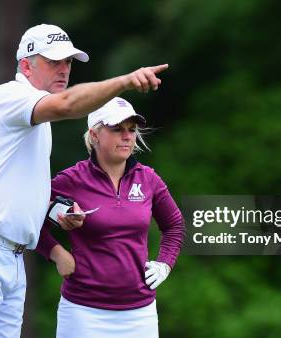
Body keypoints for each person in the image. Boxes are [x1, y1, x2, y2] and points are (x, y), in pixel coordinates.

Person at [0, 23, 168, 338]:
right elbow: (68, 104)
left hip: (9, 257)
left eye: (68, 62)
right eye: (54, 61)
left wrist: (59, 214)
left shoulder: (37, 121)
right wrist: (124, 81)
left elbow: (25, 192)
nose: (64, 69)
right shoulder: (11, 96)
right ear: (26, 65)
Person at [35, 97, 185, 338]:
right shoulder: (71, 180)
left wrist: (165, 263)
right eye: (117, 129)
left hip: (140, 313)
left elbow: (174, 225)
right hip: (83, 312)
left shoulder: (148, 179)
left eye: (131, 130)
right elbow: (28, 218)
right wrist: (56, 252)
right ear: (94, 135)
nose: (127, 136)